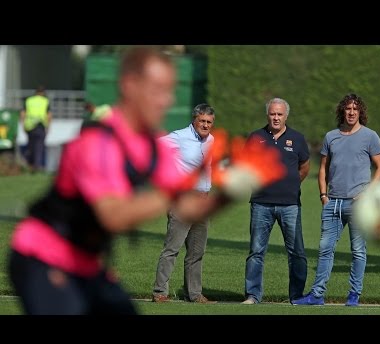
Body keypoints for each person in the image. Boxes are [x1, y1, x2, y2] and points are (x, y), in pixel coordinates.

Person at [7, 47, 284, 315]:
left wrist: (232, 190)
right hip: (41, 256)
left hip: (86, 261)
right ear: (130, 85)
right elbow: (114, 215)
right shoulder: (97, 143)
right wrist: (175, 191)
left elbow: (189, 208)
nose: (167, 100)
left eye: (170, 91)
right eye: (158, 90)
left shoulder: (154, 147)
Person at [292, 93, 380, 307]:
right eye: (348, 109)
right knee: (325, 249)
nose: (351, 112)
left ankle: (354, 295)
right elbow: (323, 168)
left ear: (360, 112)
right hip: (332, 203)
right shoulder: (331, 136)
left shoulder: (370, 136)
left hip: (358, 204)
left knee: (358, 250)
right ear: (342, 112)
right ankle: (317, 295)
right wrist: (323, 195)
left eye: (355, 109)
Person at [242, 97, 310, 305]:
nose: (276, 118)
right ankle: (253, 295)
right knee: (256, 251)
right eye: (273, 114)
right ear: (267, 115)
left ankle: (297, 296)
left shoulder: (297, 138)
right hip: (261, 203)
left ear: (286, 116)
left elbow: (304, 167)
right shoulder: (255, 137)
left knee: (297, 252)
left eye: (280, 114)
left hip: (290, 205)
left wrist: (289, 184)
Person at [152, 103, 216, 304]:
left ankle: (195, 294)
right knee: (172, 248)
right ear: (194, 120)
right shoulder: (178, 137)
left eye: (209, 122)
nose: (205, 125)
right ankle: (159, 292)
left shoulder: (212, 140)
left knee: (197, 251)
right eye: (202, 121)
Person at [20, 85, 52, 171]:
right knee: (39, 146)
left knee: (31, 146)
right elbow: (49, 115)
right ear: (43, 93)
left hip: (30, 126)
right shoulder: (45, 101)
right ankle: (37, 166)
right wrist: (48, 126)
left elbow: (23, 113)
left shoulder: (29, 100)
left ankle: (30, 164)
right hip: (40, 126)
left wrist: (23, 124)